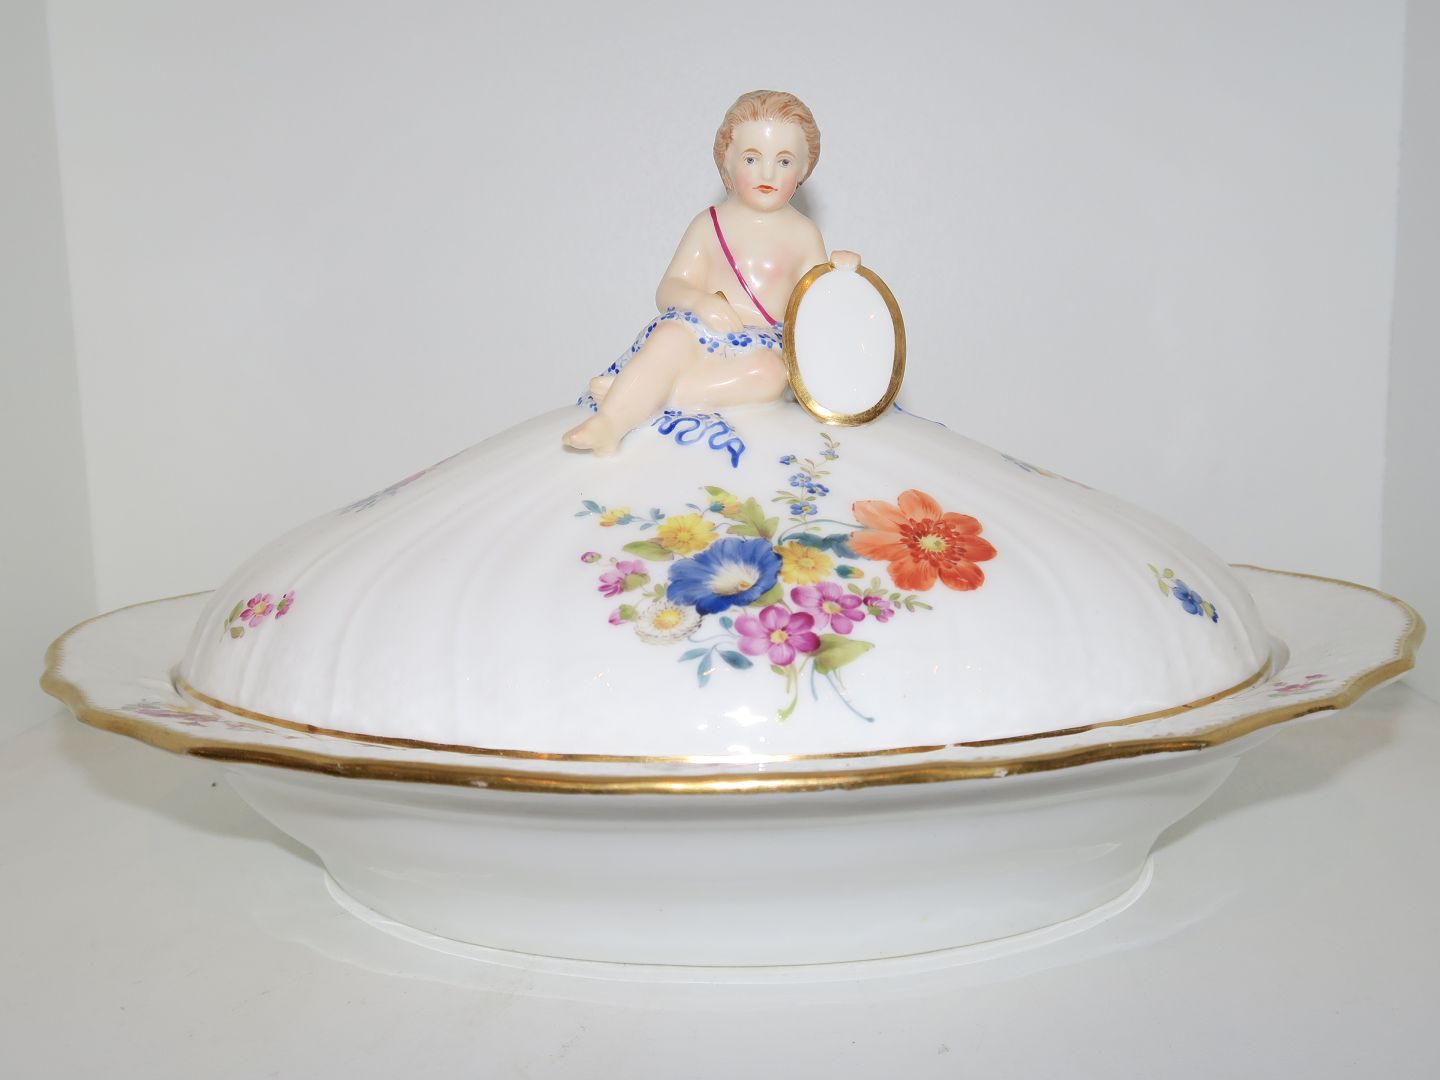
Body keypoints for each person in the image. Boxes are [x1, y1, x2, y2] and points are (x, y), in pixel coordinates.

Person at [563, 90, 860, 454]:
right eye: (751, 158)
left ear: (804, 169)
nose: (767, 173)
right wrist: (699, 302)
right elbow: (670, 288)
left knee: (770, 375)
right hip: (702, 329)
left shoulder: (803, 233)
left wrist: (840, 274)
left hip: (762, 346)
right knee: (669, 339)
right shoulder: (709, 224)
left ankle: (645, 396)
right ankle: (609, 424)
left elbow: (818, 302)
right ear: (726, 160)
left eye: (784, 161)